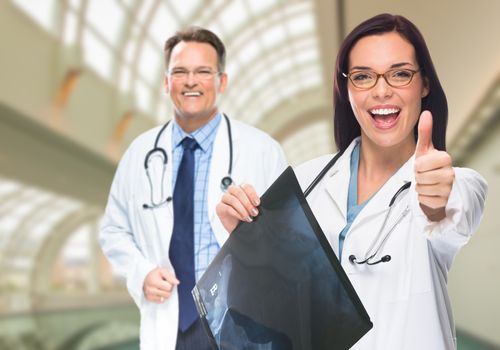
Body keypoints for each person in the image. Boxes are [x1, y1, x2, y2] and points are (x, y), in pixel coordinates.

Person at [216, 14, 487, 349]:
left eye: (400, 74)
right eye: (363, 77)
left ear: (425, 84)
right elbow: (273, 302)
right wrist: (244, 240)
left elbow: (453, 213)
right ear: (346, 89)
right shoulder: (304, 182)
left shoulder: (457, 184)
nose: (382, 91)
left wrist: (436, 203)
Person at [99, 27, 287, 350]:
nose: (190, 82)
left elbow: (288, 240)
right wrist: (140, 273)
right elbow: (113, 230)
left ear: (221, 81)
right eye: (180, 72)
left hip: (238, 323)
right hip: (168, 326)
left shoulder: (262, 150)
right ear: (166, 81)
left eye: (203, 72)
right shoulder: (139, 154)